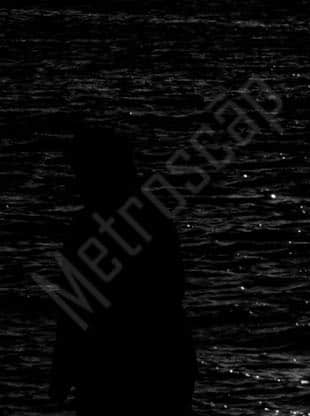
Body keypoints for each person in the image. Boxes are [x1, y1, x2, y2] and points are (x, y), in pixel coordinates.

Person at [48, 123, 197, 413]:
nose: (77, 182)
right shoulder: (154, 220)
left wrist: (62, 370)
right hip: (164, 363)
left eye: (80, 172)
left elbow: (73, 310)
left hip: (115, 371)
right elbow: (173, 289)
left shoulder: (86, 229)